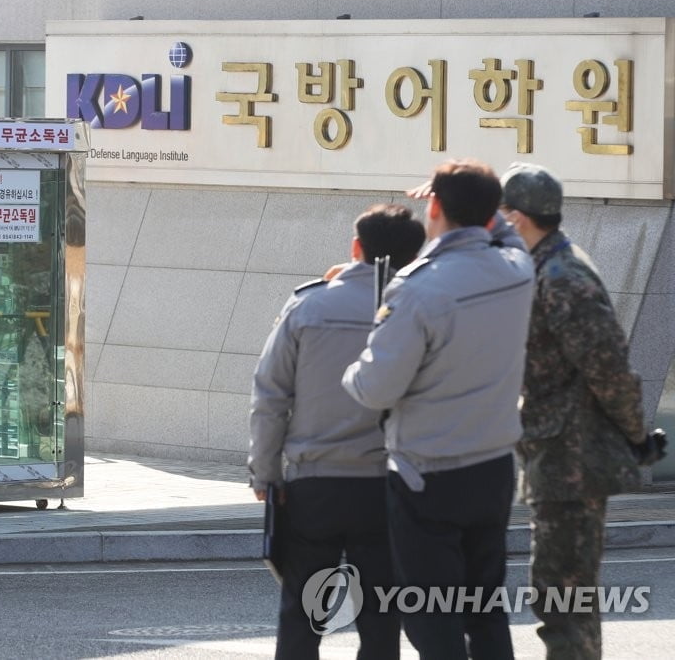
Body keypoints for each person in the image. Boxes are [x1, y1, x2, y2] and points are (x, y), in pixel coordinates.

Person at [342, 159, 534, 660]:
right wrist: (478, 203)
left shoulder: (417, 288)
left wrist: (354, 366)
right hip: (493, 466)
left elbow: (375, 388)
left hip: (428, 475)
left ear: (434, 206)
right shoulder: (517, 268)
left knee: (431, 615)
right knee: (485, 606)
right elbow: (506, 233)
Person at [499, 162, 665, 659]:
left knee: (563, 600)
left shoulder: (562, 275)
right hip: (557, 454)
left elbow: (609, 368)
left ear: (519, 216)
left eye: (503, 214)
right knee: (564, 597)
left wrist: (636, 437)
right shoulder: (548, 263)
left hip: (571, 460)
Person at [250, 203, 427, 660]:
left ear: (356, 247)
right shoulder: (422, 310)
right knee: (382, 613)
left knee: (303, 611)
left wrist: (266, 474)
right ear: (415, 253)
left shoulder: (309, 304)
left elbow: (271, 395)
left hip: (314, 484)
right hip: (387, 485)